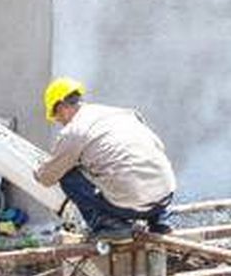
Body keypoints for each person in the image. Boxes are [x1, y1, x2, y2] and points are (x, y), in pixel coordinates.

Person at [35, 78, 176, 241]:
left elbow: (48, 177)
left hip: (129, 205)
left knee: (68, 175)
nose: (60, 122)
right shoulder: (123, 114)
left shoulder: (74, 131)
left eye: (57, 117)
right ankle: (161, 221)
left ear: (61, 107)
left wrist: (38, 172)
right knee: (145, 163)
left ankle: (109, 226)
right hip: (164, 197)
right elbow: (157, 147)